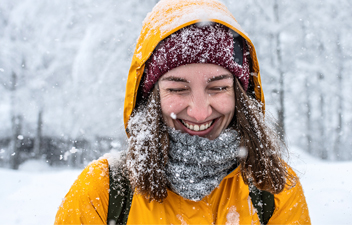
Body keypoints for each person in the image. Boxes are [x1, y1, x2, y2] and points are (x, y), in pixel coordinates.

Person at [55, 0, 311, 224]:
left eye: (218, 87)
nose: (199, 112)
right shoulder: (102, 192)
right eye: (178, 89)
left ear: (239, 96)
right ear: (151, 99)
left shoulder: (273, 190)